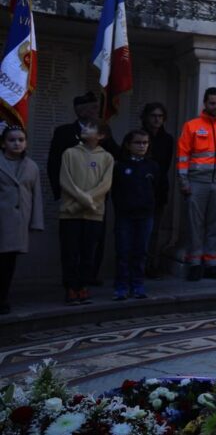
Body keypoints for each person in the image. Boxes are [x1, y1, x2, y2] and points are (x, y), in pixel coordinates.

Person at [46, 92, 119, 286]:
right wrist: (59, 193)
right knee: (71, 246)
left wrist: (105, 134)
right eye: (93, 107)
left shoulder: (104, 131)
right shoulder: (64, 132)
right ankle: (71, 283)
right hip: (70, 199)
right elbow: (54, 164)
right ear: (80, 110)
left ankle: (89, 277)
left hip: (96, 203)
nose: (97, 111)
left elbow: (114, 158)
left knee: (93, 244)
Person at [177, 87, 216, 282]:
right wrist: (184, 181)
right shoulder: (191, 126)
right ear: (205, 103)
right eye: (212, 103)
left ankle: (212, 263)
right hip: (197, 183)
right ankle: (195, 263)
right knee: (195, 225)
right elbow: (183, 155)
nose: (215, 106)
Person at [58, 121, 114, 305]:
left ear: (101, 136)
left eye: (91, 128)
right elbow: (66, 181)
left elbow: (105, 185)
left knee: (88, 253)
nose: (85, 129)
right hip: (70, 214)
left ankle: (83, 286)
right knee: (70, 252)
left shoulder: (106, 158)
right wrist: (79, 203)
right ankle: (70, 288)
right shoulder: (70, 153)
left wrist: (89, 200)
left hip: (94, 213)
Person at [0, 126, 44, 315]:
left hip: (17, 223)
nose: (17, 143)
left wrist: (36, 222)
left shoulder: (31, 166)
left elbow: (36, 195)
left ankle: (3, 298)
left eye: (21, 140)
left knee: (8, 263)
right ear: (3, 143)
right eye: (12, 140)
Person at [111, 130, 158, 301]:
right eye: (138, 143)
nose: (142, 146)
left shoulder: (152, 166)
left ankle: (137, 285)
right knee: (123, 251)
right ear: (128, 145)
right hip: (125, 215)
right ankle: (121, 286)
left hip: (145, 215)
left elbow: (158, 189)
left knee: (141, 251)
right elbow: (115, 191)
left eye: (145, 143)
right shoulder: (121, 166)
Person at [140, 102, 174, 278]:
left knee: (153, 231)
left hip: (158, 190)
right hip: (138, 191)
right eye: (153, 116)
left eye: (160, 117)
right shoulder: (137, 137)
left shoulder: (167, 140)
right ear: (146, 117)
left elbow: (165, 165)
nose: (157, 120)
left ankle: (150, 265)